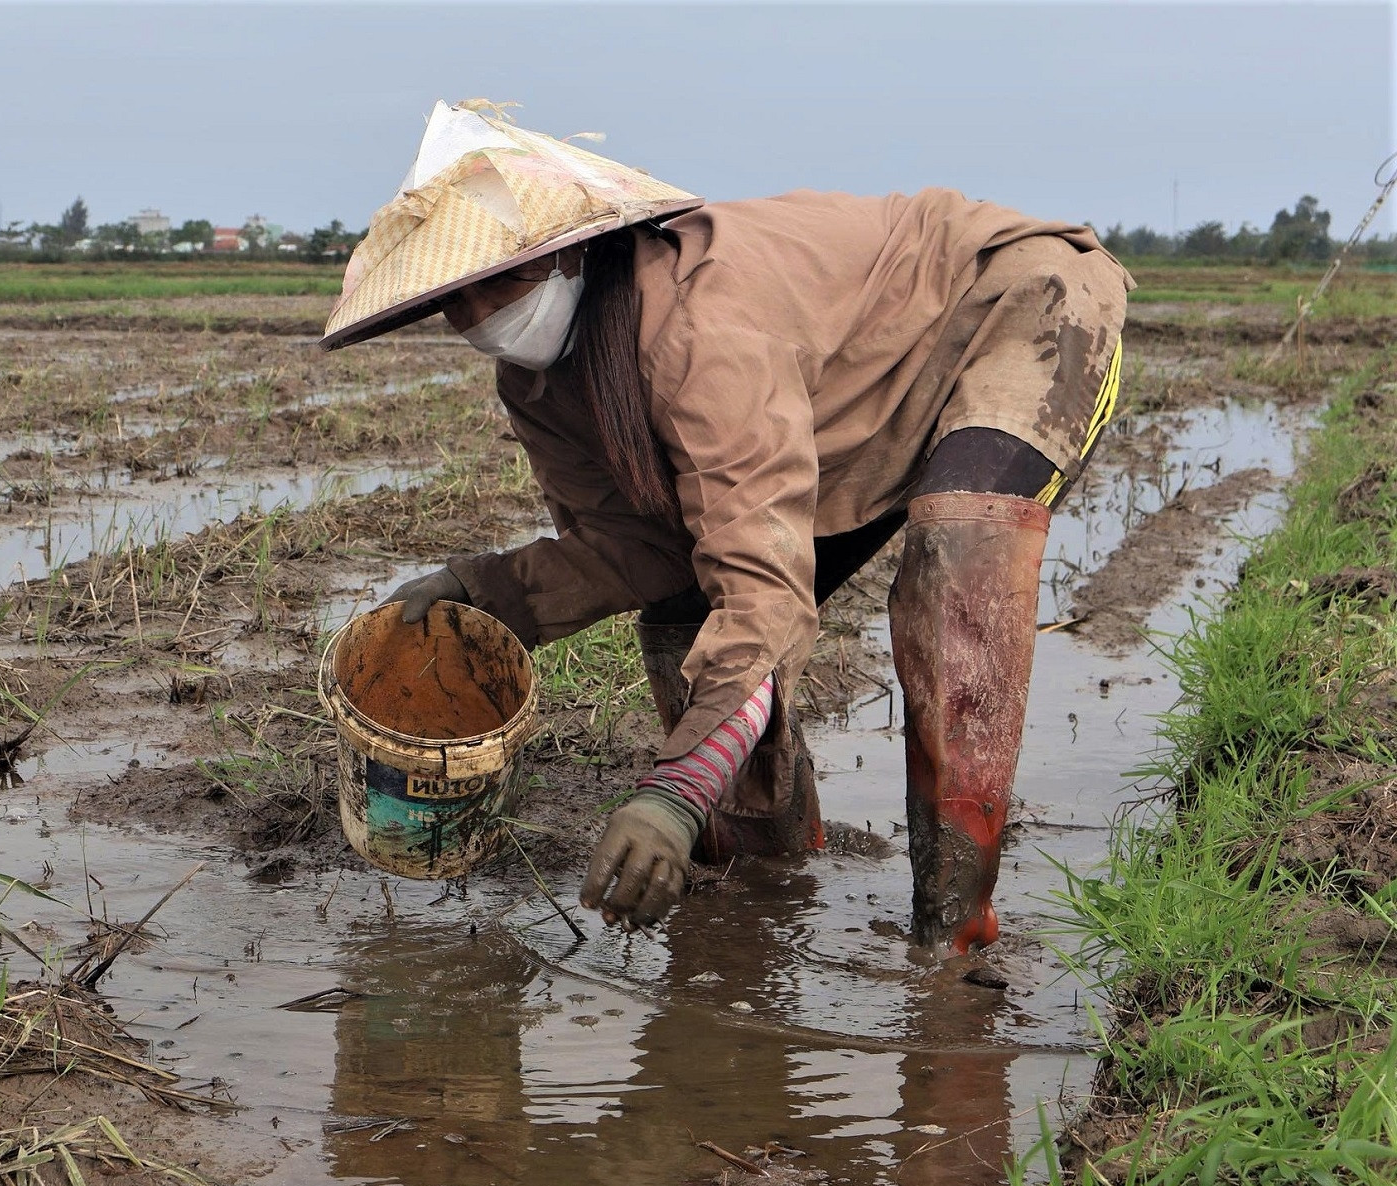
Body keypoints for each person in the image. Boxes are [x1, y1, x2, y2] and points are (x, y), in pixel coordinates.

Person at [320, 101, 1130, 953]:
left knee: (958, 554)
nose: (475, 314)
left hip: (1017, 306)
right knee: (681, 612)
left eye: (497, 279)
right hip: (850, 405)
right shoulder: (541, 385)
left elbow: (762, 595)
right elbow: (633, 547)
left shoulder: (704, 330)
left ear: (564, 251)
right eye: (454, 296)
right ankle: (768, 889)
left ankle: (953, 935)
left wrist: (674, 789)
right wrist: (480, 594)